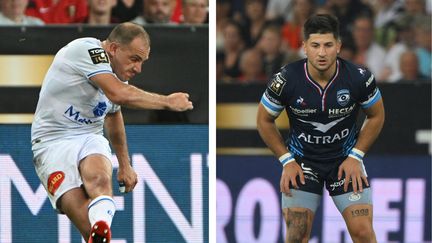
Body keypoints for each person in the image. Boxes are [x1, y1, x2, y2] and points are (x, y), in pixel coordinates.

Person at [31, 22, 193, 243]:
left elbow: (114, 114)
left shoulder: (116, 75)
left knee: (99, 179)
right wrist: (167, 102)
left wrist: (125, 165)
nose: (138, 69)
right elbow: (119, 95)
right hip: (51, 142)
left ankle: (101, 227)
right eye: (135, 59)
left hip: (89, 136)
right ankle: (95, 231)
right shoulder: (87, 50)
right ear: (114, 49)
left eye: (142, 62)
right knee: (80, 216)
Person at [257, 14, 385, 242]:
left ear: (339, 46)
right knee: (296, 236)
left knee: (364, 233)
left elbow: (376, 115)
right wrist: (287, 161)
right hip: (302, 163)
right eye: (315, 45)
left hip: (344, 161)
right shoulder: (286, 80)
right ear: (304, 46)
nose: (322, 53)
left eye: (328, 45)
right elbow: (263, 120)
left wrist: (356, 156)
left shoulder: (358, 78)